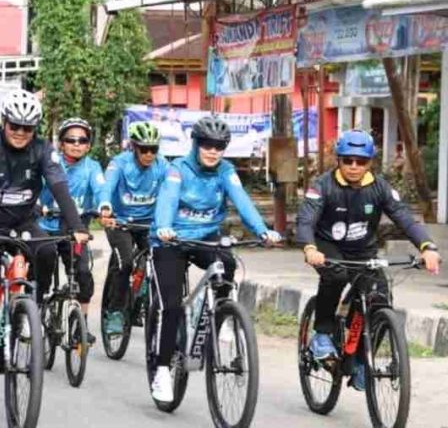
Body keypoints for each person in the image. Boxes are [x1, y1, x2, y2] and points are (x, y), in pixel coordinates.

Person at [0, 90, 88, 401]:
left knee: (48, 249)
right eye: (15, 126)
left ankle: (31, 309)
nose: (21, 133)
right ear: (4, 122)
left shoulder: (43, 150)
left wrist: (77, 227)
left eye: (28, 128)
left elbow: (59, 186)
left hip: (20, 223)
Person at [296, 129, 441, 392]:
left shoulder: (379, 187)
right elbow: (305, 220)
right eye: (348, 160)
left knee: (380, 298)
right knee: (336, 274)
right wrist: (309, 247)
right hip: (328, 247)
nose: (354, 166)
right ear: (338, 160)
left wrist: (427, 246)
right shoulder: (322, 186)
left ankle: (363, 361)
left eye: (360, 161)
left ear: (369, 162)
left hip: (364, 251)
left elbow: (404, 217)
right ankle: (322, 334)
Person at [151, 115, 281, 401]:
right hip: (170, 239)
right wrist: (163, 226)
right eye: (207, 145)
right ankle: (161, 370)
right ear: (196, 144)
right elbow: (168, 200)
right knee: (171, 306)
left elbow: (242, 200)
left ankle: (221, 318)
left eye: (219, 146)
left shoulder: (226, 170)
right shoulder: (177, 170)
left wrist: (262, 230)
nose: (213, 151)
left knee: (228, 264)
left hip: (205, 236)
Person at [98, 121, 169, 336]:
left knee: (164, 258)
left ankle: (149, 299)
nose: (149, 154)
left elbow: (174, 191)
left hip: (148, 223)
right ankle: (115, 311)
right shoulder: (119, 164)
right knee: (125, 263)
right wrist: (105, 206)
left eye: (153, 149)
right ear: (134, 147)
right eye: (144, 149)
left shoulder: (163, 165)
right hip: (119, 222)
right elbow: (107, 187)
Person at [38, 117, 103, 344]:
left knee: (83, 274)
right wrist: (39, 206)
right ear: (61, 143)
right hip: (46, 227)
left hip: (75, 230)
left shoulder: (92, 168)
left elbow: (101, 190)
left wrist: (104, 207)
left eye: (82, 140)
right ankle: (34, 314)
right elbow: (35, 188)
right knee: (39, 270)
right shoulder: (51, 163)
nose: (77, 144)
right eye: (70, 140)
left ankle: (80, 326)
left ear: (88, 144)